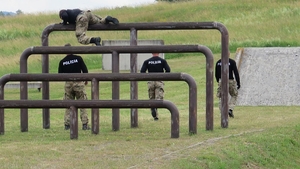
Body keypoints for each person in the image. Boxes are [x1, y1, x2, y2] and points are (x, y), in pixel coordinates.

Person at [58, 43, 90, 130]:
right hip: (78, 83)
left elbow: (60, 75)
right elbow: (85, 70)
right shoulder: (78, 58)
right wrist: (86, 79)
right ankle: (85, 124)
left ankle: (67, 125)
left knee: (68, 105)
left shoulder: (62, 62)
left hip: (68, 84)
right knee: (83, 103)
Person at [140, 53, 171, 120]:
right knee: (159, 98)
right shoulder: (162, 61)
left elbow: (142, 72)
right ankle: (155, 109)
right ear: (158, 53)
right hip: (159, 81)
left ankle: (155, 115)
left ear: (152, 53)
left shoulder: (147, 61)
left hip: (150, 81)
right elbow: (168, 70)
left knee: (151, 98)